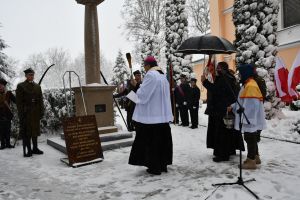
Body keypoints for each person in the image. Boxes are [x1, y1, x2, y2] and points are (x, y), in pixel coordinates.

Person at [128, 56, 173, 175]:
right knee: (162, 143)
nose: (144, 68)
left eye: (144, 65)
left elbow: (142, 96)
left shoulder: (151, 75)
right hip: (162, 118)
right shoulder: (162, 76)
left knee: (152, 144)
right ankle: (162, 164)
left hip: (151, 119)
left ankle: (154, 167)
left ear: (148, 65)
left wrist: (133, 89)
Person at [201, 62, 244, 162]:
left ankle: (223, 154)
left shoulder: (224, 79)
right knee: (228, 132)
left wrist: (205, 82)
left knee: (222, 133)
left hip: (222, 110)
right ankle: (230, 150)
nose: (217, 70)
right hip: (226, 108)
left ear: (222, 69)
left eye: (218, 68)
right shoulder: (229, 78)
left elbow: (217, 91)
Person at [228, 63, 267, 170]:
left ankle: (251, 161)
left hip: (250, 117)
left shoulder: (251, 85)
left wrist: (246, 118)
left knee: (250, 137)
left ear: (246, 73)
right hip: (249, 116)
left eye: (240, 73)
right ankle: (255, 157)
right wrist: (233, 106)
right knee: (251, 137)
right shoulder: (247, 84)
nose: (239, 75)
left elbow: (251, 105)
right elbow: (242, 101)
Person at [16, 68, 44, 157]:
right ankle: (29, 150)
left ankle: (35, 148)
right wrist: (21, 114)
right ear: (26, 76)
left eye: (32, 75)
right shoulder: (21, 86)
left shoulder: (37, 86)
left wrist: (41, 111)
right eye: (29, 75)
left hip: (35, 113)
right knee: (27, 132)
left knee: (35, 131)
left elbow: (41, 100)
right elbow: (19, 102)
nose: (31, 76)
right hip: (26, 113)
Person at [0, 78, 16, 149]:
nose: (0, 87)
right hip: (0, 115)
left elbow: (16, 101)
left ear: (4, 86)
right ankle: (2, 144)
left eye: (1, 85)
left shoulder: (9, 93)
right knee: (1, 130)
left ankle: (8, 144)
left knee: (8, 129)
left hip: (7, 114)